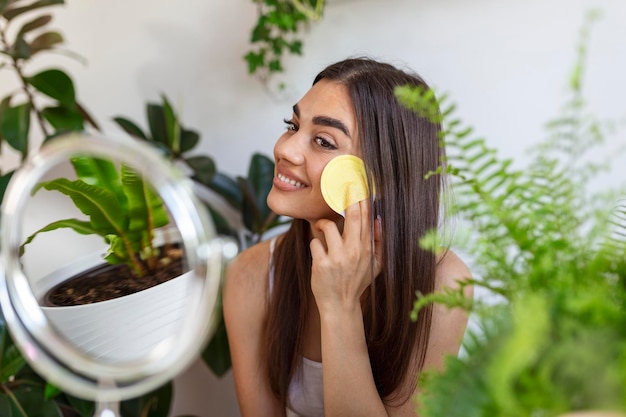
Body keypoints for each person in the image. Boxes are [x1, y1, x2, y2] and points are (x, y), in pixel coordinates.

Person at [223, 57, 473, 417]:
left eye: (323, 141)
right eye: (292, 126)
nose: (285, 149)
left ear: (383, 177)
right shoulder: (252, 274)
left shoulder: (443, 283)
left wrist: (339, 307)